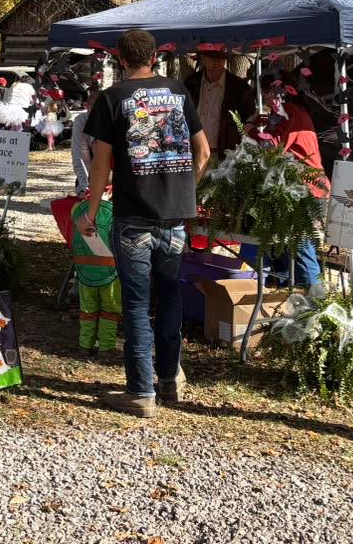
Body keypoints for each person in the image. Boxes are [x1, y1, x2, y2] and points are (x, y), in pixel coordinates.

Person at [80, 28, 210, 417]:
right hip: (175, 214)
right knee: (170, 295)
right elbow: (203, 153)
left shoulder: (111, 98)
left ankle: (141, 391)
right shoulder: (177, 92)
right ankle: (169, 379)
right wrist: (185, 189)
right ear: (155, 56)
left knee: (136, 303)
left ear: (120, 58)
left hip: (133, 215)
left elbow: (101, 162)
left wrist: (90, 211)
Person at [247, 72, 329, 289]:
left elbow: (270, 144)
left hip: (306, 191)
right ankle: (291, 302)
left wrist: (248, 128)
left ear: (276, 92)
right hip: (300, 189)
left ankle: (317, 305)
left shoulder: (289, 112)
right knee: (288, 250)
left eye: (266, 92)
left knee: (301, 248)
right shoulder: (291, 111)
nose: (263, 98)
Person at [71, 182, 120, 358]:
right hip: (111, 272)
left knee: (87, 308)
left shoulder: (78, 208)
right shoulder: (118, 210)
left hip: (85, 271)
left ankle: (85, 345)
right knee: (111, 308)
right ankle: (106, 347)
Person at [182, 47, 256, 158]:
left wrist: (249, 125)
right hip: (192, 151)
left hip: (224, 154)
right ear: (203, 59)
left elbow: (250, 115)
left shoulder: (239, 87)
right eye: (212, 58)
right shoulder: (190, 83)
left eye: (221, 58)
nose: (216, 62)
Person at [69, 90, 95, 194]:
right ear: (86, 106)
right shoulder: (81, 121)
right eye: (94, 106)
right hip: (91, 176)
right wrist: (87, 188)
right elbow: (78, 157)